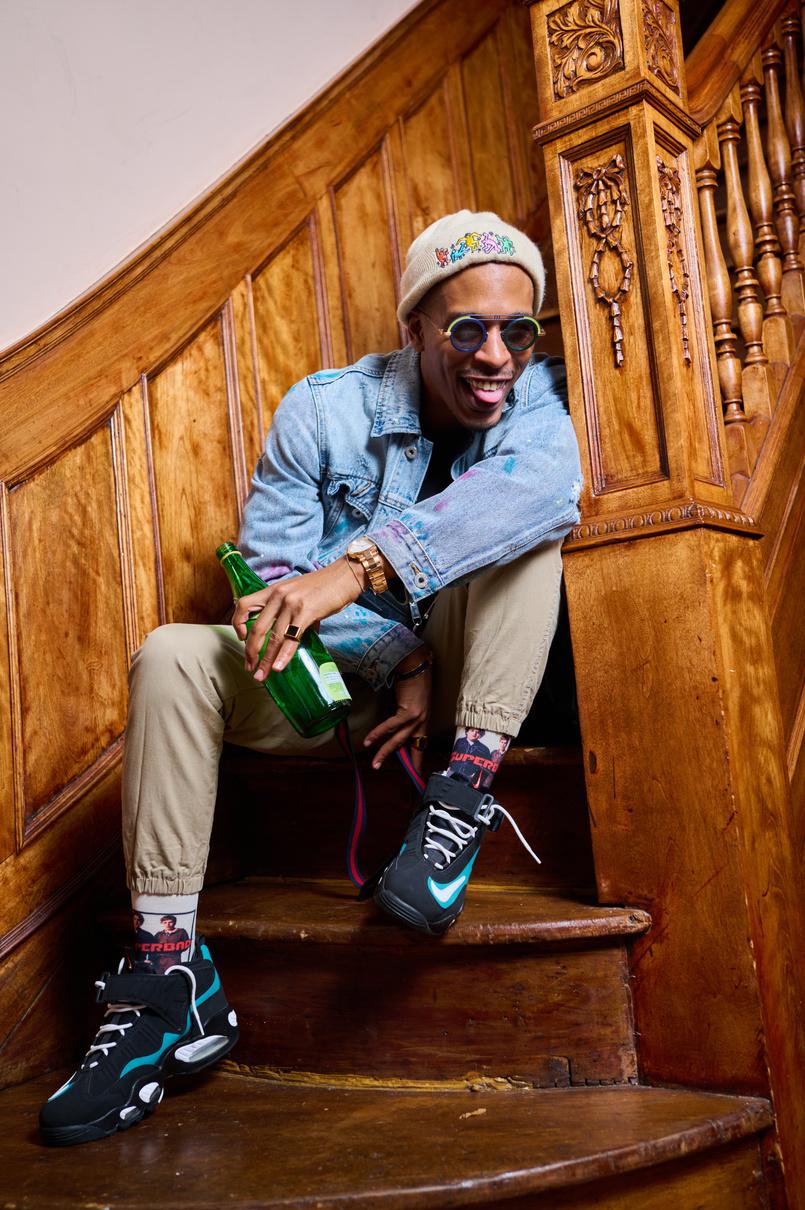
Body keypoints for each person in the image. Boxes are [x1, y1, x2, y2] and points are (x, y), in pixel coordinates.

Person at [39, 209, 582, 1146]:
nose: (495, 355)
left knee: (530, 529)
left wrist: (361, 568)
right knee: (172, 652)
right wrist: (398, 653)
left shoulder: (538, 397)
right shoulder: (326, 410)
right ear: (415, 328)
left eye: (516, 331)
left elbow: (540, 490)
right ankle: (168, 974)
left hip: (478, 685)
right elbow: (270, 594)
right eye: (466, 330)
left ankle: (460, 800)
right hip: (333, 690)